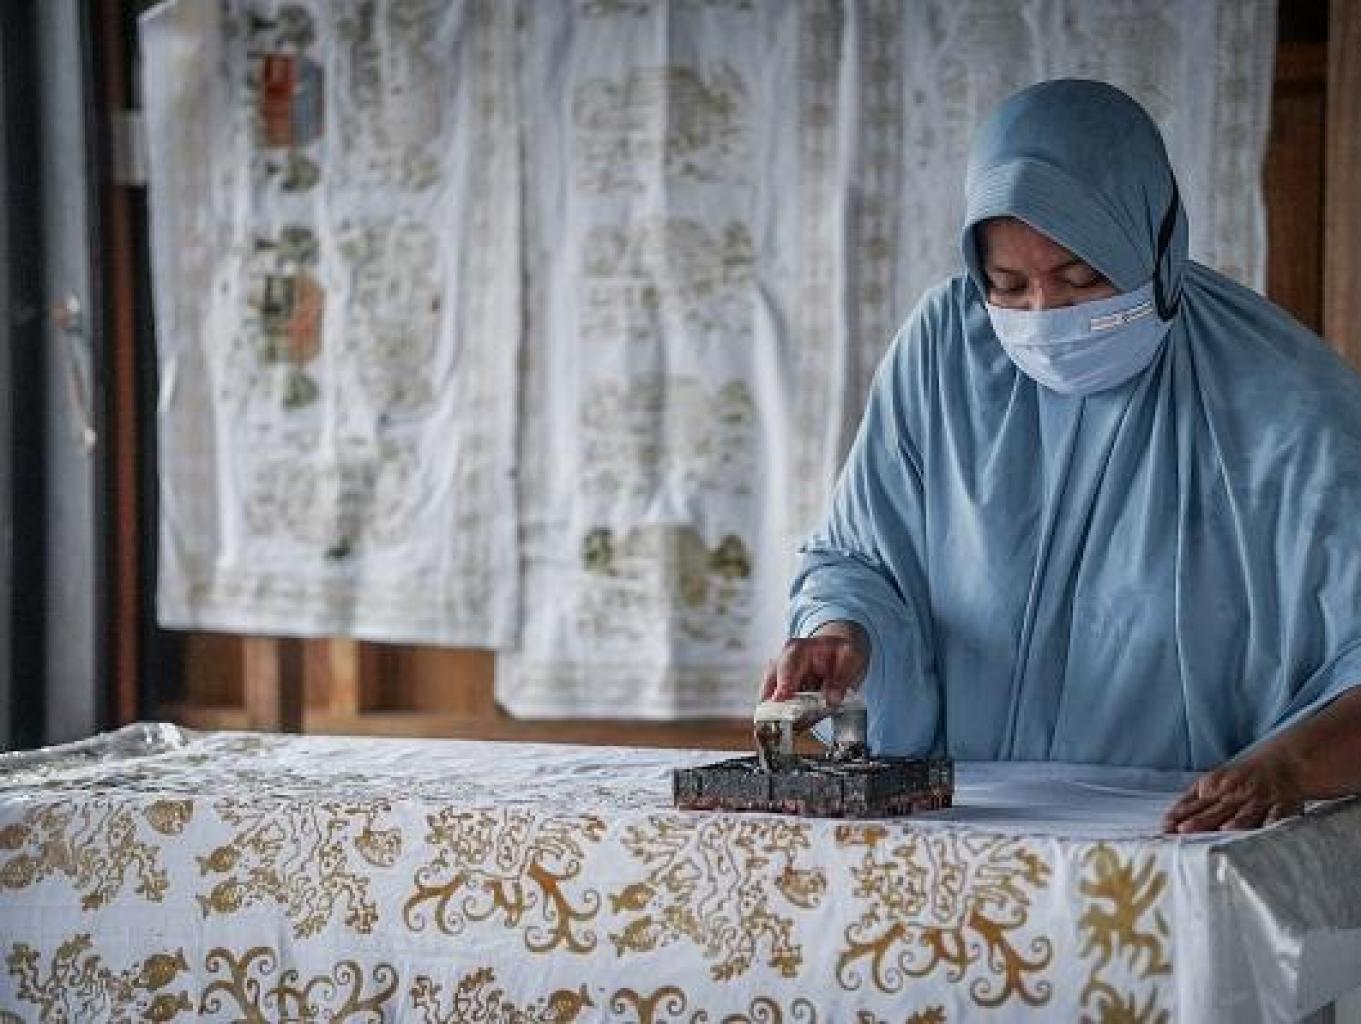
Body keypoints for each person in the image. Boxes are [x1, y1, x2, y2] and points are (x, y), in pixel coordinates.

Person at [761, 79, 1361, 834]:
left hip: (1185, 827)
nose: (1046, 317)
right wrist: (842, 633)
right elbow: (859, 557)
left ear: (1155, 244)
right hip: (966, 819)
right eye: (1008, 285)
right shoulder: (945, 348)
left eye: (1083, 280)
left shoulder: (1285, 395)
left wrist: (1292, 765)